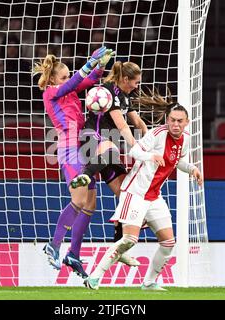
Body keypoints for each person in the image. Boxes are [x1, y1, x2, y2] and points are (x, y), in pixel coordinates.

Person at [84, 93, 203, 291]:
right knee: (129, 240)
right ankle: (94, 277)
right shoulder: (157, 134)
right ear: (167, 120)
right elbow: (134, 151)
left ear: (187, 122)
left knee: (168, 242)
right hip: (135, 193)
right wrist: (151, 156)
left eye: (180, 121)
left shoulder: (186, 140)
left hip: (154, 196)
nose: (175, 124)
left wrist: (192, 169)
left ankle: (148, 283)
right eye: (172, 120)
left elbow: (177, 161)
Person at [34, 46, 119, 278]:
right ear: (53, 79)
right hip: (69, 149)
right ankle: (54, 244)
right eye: (64, 76)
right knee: (79, 200)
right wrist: (89, 62)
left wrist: (100, 65)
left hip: (83, 147)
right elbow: (73, 83)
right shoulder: (52, 92)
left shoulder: (68, 91)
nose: (68, 79)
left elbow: (88, 80)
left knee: (90, 203)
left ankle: (73, 253)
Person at [71, 61, 148, 264]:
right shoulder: (107, 91)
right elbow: (122, 125)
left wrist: (151, 142)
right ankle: (85, 174)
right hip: (93, 137)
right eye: (135, 82)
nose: (137, 86)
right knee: (111, 148)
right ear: (125, 79)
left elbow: (137, 122)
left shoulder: (125, 95)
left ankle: (118, 248)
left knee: (126, 193)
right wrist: (138, 149)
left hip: (107, 144)